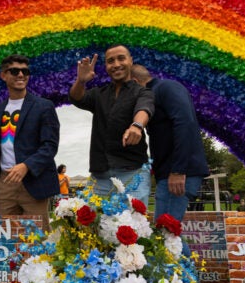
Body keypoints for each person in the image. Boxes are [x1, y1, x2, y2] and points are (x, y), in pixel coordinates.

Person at [0, 55, 61, 227]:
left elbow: (50, 146)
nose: (21, 75)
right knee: (6, 237)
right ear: (3, 75)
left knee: (37, 239)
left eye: (25, 71)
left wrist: (26, 166)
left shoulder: (44, 106)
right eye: (14, 71)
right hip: (4, 183)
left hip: (33, 181)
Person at [69, 45, 153, 204]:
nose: (116, 64)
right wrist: (81, 81)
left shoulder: (142, 92)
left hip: (132, 174)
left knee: (133, 226)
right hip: (100, 176)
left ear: (130, 61)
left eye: (121, 58)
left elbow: (145, 108)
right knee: (95, 226)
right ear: (106, 66)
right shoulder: (99, 93)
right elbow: (77, 98)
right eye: (110, 61)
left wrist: (136, 126)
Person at [131, 65, 209, 222]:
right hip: (167, 173)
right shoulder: (153, 95)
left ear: (134, 82)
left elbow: (185, 123)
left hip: (179, 173)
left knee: (165, 234)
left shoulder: (166, 88)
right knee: (167, 235)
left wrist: (178, 170)